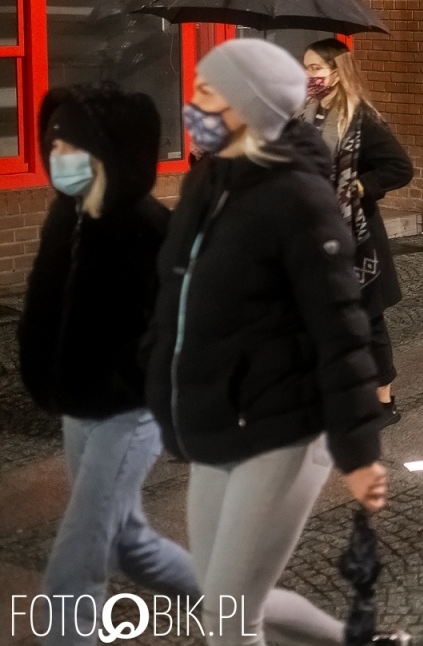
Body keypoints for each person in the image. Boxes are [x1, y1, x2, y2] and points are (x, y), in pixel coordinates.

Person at [142, 39, 404, 646]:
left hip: (287, 424)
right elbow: (179, 302)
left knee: (231, 618)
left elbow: (341, 328)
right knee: (223, 600)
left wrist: (358, 451)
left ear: (247, 105)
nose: (194, 102)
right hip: (220, 421)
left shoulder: (299, 197)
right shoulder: (209, 185)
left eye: (208, 91)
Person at [19, 84, 202, 646]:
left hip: (130, 412)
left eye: (74, 147)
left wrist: (131, 377)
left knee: (78, 557)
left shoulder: (148, 230)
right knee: (129, 544)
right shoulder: (67, 215)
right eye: (54, 143)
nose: (59, 157)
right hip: (78, 403)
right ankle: (232, 596)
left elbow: (177, 330)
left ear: (113, 154)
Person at [300, 39, 414, 427]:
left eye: (316, 68)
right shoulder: (305, 113)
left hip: (356, 239)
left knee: (368, 319)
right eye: (307, 69)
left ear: (337, 71)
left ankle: (384, 402)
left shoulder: (360, 117)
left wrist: (358, 187)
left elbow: (400, 167)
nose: (310, 76)